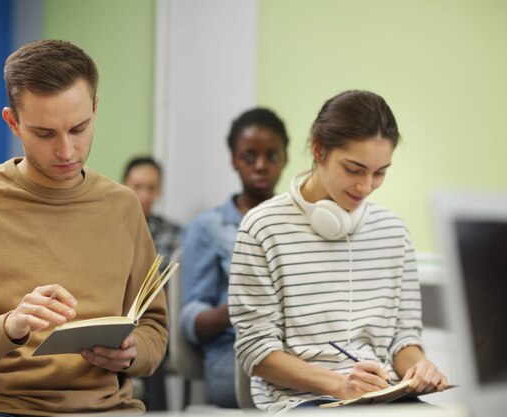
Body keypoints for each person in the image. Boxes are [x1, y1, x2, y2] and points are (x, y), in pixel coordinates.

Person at [0, 40, 168, 417]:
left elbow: (154, 329)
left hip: (105, 408)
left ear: (95, 108)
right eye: (45, 134)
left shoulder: (123, 206)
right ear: (12, 123)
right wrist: (7, 327)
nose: (66, 151)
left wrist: (132, 352)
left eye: (79, 128)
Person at [228, 90, 449, 412]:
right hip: (301, 400)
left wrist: (419, 366)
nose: (365, 186)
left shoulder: (393, 231)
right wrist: (338, 384)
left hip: (381, 396)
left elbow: (404, 337)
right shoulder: (262, 227)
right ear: (318, 150)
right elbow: (256, 351)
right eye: (354, 169)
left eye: (380, 172)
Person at [180, 108, 289, 408]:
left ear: (286, 158)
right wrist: (242, 306)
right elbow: (191, 319)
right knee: (299, 387)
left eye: (272, 156)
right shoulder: (208, 227)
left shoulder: (296, 223)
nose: (261, 166)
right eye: (249, 157)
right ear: (233, 160)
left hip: (292, 349)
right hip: (231, 354)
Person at [122, 156, 181, 411]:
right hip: (115, 314)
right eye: (138, 187)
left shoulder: (173, 233)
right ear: (124, 185)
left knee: (153, 340)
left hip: (151, 317)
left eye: (151, 188)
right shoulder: (109, 228)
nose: (144, 195)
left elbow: (166, 290)